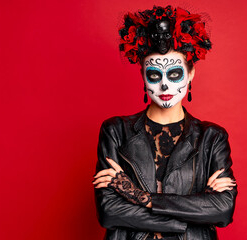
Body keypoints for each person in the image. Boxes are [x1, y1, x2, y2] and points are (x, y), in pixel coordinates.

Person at [92, 5, 238, 240]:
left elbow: (222, 210)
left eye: (174, 74)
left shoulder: (212, 137)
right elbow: (109, 212)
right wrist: (190, 216)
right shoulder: (115, 131)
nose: (164, 86)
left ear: (191, 74)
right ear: (142, 75)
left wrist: (140, 196)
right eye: (154, 75)